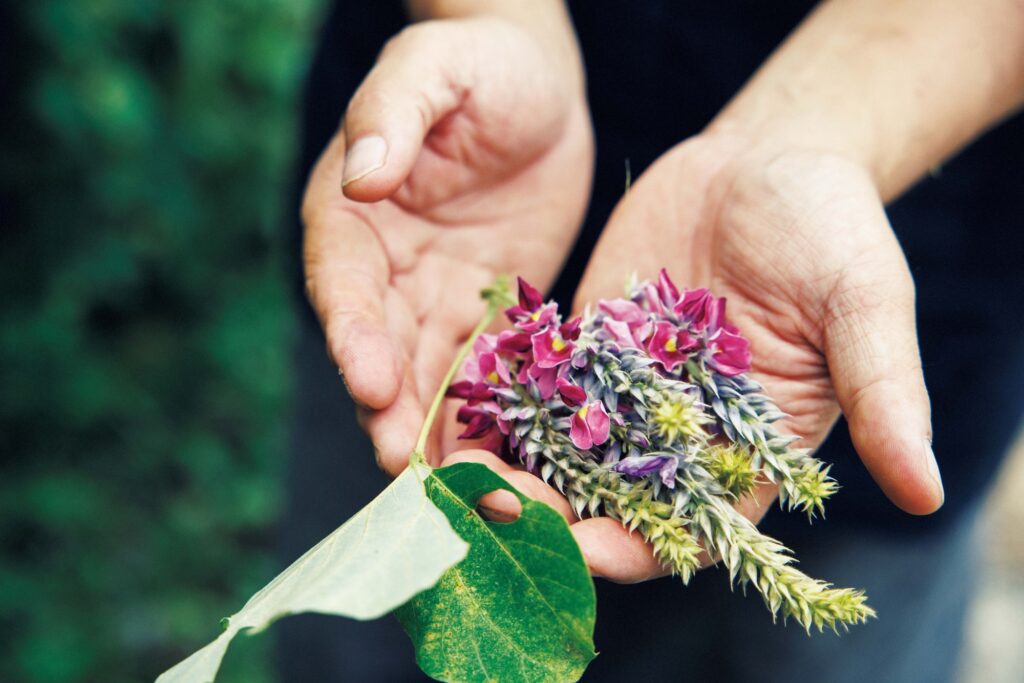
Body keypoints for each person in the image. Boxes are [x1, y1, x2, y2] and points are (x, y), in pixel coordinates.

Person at [278, 1, 1024, 680]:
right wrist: (494, 17)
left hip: (888, 197)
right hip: (450, 224)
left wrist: (815, 135)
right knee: (358, 636)